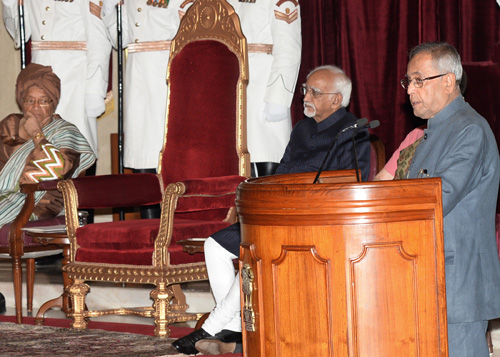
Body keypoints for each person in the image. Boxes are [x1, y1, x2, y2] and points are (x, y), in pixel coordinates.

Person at [172, 65, 371, 355]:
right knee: (215, 245)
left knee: (255, 248)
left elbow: (353, 183)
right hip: (277, 212)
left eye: (314, 92)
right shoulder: (302, 128)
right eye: (305, 89)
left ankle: (211, 327)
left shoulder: (355, 131)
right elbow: (283, 170)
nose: (306, 96)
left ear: (336, 100)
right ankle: (239, 328)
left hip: (314, 221)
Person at [399, 42, 500, 356]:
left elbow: (438, 197)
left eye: (419, 80)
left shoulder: (468, 130)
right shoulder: (437, 131)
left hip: (457, 281)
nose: (410, 90)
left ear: (448, 81)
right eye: (408, 82)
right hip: (431, 272)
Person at [101, 0, 193, 218]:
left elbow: (191, 30)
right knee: (142, 155)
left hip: (166, 74)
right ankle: (150, 228)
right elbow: (118, 39)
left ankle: (174, 225)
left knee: (169, 156)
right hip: (136, 79)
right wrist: (109, 8)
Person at [2, 0, 112, 157]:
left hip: (75, 80)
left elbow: (99, 39)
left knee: (76, 148)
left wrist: (94, 90)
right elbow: (20, 32)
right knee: (40, 149)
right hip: (38, 78)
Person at [0, 63, 96, 228]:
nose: (36, 107)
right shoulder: (10, 125)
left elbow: (58, 169)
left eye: (43, 101)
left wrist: (38, 135)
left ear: (54, 103)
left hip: (40, 206)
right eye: (30, 100)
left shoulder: (66, 133)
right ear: (21, 101)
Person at [227, 0, 302, 177]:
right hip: (230, 87)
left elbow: (288, 49)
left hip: (262, 88)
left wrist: (278, 98)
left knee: (265, 153)